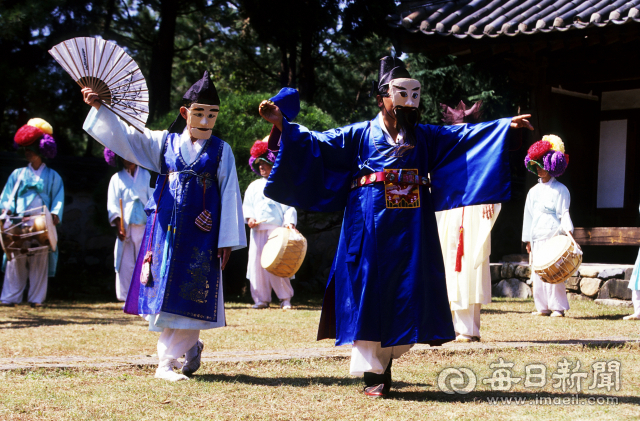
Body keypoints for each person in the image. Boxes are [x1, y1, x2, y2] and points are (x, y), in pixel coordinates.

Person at [258, 57, 533, 397]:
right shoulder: (359, 134)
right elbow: (316, 143)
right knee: (369, 286)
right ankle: (373, 373)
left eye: (413, 94)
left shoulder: (425, 135)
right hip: (368, 221)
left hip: (411, 225)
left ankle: (386, 362)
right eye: (399, 94)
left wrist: (504, 126)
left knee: (405, 287)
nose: (406, 102)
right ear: (381, 98)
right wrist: (283, 124)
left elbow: (462, 136)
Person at [81, 71, 246, 381]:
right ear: (185, 113)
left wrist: (227, 239)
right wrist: (100, 108)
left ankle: (165, 363)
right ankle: (187, 348)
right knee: (165, 291)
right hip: (165, 232)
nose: (206, 120)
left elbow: (230, 193)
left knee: (191, 292)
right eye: (199, 112)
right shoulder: (164, 143)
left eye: (212, 114)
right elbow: (129, 138)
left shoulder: (221, 151)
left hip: (202, 234)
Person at [435, 100, 500, 343]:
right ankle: (453, 326)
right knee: (451, 268)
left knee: (470, 266)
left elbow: (492, 179)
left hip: (472, 214)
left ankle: (469, 327)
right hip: (450, 215)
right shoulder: (445, 155)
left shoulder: (482, 155)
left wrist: (489, 200)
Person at [0, 118, 64, 308]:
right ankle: (10, 297)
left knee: (39, 259)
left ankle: (36, 298)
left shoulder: (53, 176)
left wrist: (54, 214)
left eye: (31, 148)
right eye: (25, 148)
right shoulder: (17, 174)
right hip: (19, 221)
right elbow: (6, 197)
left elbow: (58, 199)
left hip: (40, 223)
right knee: (16, 258)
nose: (27, 152)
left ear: (41, 149)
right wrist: (6, 210)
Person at [522, 135, 576, 318]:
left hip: (553, 234)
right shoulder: (532, 192)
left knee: (554, 271)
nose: (539, 169)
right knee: (538, 273)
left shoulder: (561, 189)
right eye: (536, 165)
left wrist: (569, 234)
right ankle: (542, 307)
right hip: (537, 234)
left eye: (542, 165)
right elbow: (528, 215)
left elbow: (564, 213)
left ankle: (558, 307)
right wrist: (528, 239)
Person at [243, 137, 297, 310]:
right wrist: (249, 218)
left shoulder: (281, 184)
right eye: (259, 164)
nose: (262, 167)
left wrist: (289, 222)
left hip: (276, 232)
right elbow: (248, 206)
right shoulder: (253, 186)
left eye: (265, 163)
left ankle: (285, 298)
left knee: (278, 263)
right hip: (258, 231)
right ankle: (261, 299)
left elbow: (289, 207)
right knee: (257, 265)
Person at [105, 148, 154, 302]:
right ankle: (125, 297)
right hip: (125, 226)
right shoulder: (116, 179)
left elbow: (152, 200)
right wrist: (118, 224)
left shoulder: (145, 175)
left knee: (144, 261)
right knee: (125, 263)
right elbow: (112, 204)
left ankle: (143, 295)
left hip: (143, 226)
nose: (129, 160)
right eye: (125, 156)